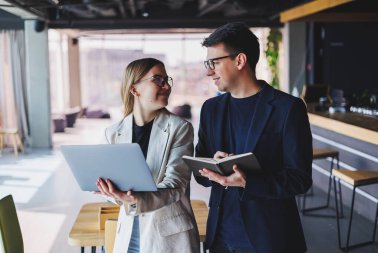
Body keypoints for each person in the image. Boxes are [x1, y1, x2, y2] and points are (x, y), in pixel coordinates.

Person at [195, 22, 313, 253]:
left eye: (214, 63)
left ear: (240, 60)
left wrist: (249, 182)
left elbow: (300, 178)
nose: (209, 71)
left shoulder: (287, 108)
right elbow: (199, 172)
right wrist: (213, 167)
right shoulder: (211, 109)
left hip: (269, 239)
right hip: (220, 237)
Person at [95, 58, 200, 253]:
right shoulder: (113, 133)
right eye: (158, 80)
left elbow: (176, 186)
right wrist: (112, 193)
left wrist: (135, 198)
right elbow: (115, 190)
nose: (167, 86)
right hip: (127, 235)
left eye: (167, 80)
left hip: (168, 238)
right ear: (135, 89)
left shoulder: (180, 129)